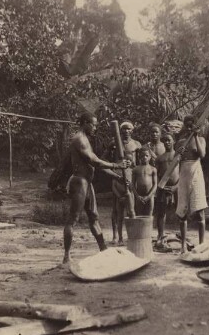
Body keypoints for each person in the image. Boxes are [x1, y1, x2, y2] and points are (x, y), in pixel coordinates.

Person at [63, 112, 130, 264]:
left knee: (94, 218)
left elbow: (96, 164)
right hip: (79, 182)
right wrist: (116, 165)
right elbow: (93, 160)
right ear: (85, 122)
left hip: (87, 182)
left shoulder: (86, 139)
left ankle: (104, 250)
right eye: (93, 124)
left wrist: (117, 176)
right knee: (73, 219)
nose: (95, 128)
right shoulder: (79, 139)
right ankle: (66, 256)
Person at [175, 115, 208, 254]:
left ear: (196, 126)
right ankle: (183, 245)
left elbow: (202, 154)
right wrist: (178, 154)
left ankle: (201, 244)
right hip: (183, 175)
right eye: (187, 125)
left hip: (196, 173)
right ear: (184, 126)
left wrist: (195, 136)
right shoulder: (180, 142)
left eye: (192, 125)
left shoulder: (200, 139)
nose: (189, 127)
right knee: (182, 211)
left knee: (200, 210)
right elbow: (175, 161)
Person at [108, 121, 141, 245]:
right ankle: (116, 235)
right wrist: (114, 167)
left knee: (131, 207)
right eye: (124, 129)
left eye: (129, 129)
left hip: (130, 174)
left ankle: (132, 235)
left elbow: (138, 162)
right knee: (116, 207)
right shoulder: (114, 143)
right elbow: (106, 158)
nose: (126, 131)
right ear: (120, 131)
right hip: (117, 174)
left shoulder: (136, 144)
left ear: (132, 130)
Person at [154, 133, 179, 249]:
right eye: (165, 141)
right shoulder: (160, 158)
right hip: (163, 188)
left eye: (169, 140)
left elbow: (183, 173)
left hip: (177, 187)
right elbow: (157, 174)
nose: (167, 143)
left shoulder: (178, 156)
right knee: (161, 212)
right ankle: (160, 235)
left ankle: (182, 235)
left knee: (181, 211)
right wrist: (160, 186)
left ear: (173, 141)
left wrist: (177, 186)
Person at [132, 147, 157, 216]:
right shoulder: (136, 169)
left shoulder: (153, 169)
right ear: (139, 156)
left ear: (150, 157)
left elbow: (155, 184)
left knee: (149, 215)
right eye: (142, 156)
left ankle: (149, 227)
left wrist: (149, 196)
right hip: (139, 196)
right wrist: (137, 196)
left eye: (146, 155)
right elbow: (132, 184)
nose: (144, 157)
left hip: (150, 196)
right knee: (139, 215)